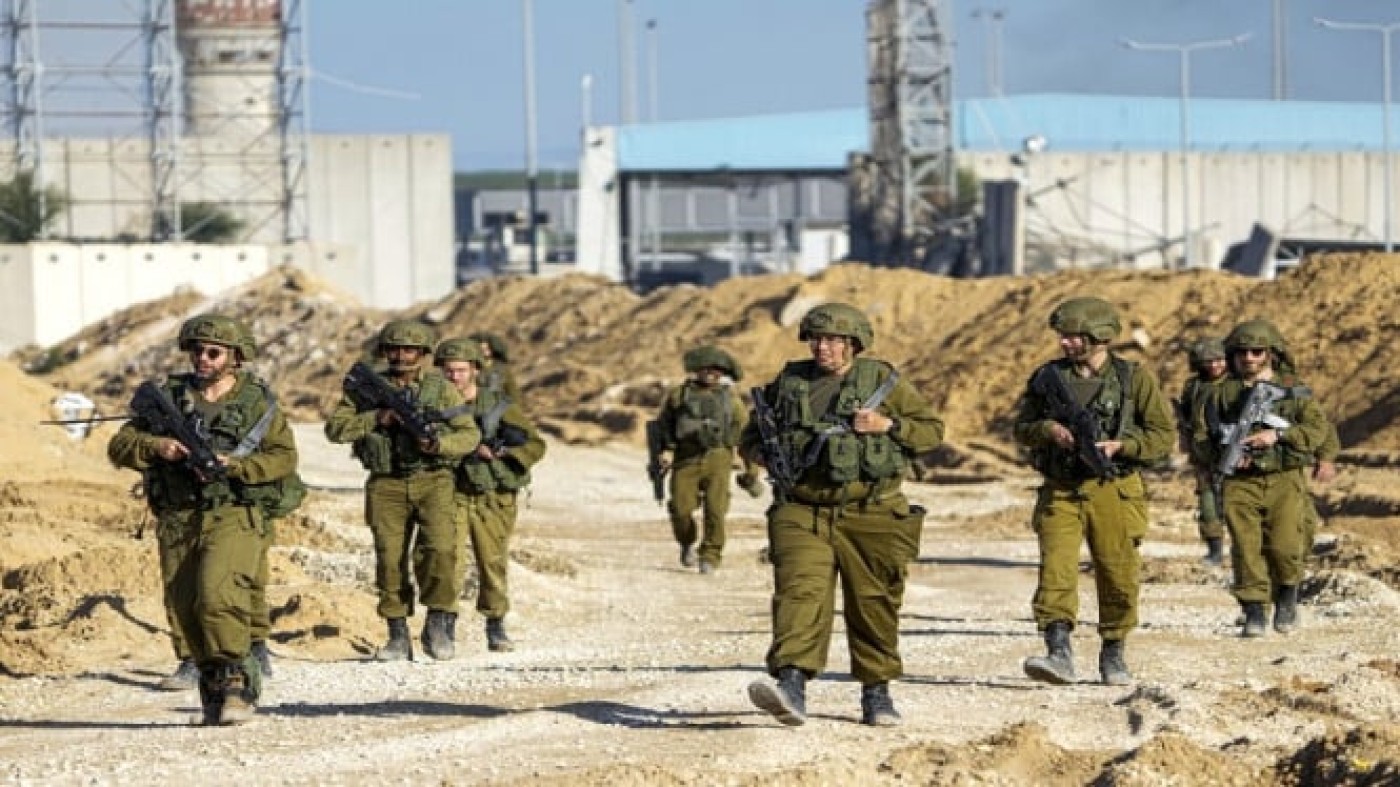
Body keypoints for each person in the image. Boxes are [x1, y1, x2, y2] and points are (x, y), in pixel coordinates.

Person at [741, 303, 943, 727]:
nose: (823, 348)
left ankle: (876, 691)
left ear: (854, 344)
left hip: (872, 510)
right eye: (816, 339)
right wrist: (760, 453)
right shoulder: (790, 382)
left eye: (834, 340)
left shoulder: (882, 381)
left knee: (874, 602)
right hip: (801, 509)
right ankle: (791, 685)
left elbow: (931, 432)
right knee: (799, 594)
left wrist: (887, 426)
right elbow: (751, 435)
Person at [108, 314, 301, 725]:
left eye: (213, 352)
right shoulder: (169, 397)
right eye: (197, 351)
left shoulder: (257, 403)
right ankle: (212, 688)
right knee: (185, 606)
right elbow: (120, 444)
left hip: (233, 511)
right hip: (179, 515)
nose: (203, 358)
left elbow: (284, 458)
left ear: (235, 357)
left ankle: (238, 683)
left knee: (218, 596)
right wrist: (158, 447)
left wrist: (237, 466)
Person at [1013, 297, 1174, 687]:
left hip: (1114, 489)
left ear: (1099, 336)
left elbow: (1162, 436)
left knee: (1118, 573)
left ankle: (1113, 651)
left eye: (1072, 336)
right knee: (1056, 570)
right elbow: (1022, 429)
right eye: (1062, 336)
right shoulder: (1048, 378)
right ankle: (1058, 651)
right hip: (1061, 490)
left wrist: (1124, 446)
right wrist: (1048, 430)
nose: (1064, 343)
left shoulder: (1134, 380)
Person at [325, 320, 480, 661]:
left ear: (423, 353)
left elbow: (469, 434)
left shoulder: (441, 389)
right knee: (389, 558)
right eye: (393, 349)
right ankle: (397, 634)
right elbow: (335, 430)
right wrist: (375, 418)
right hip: (386, 483)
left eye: (409, 350)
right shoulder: (366, 389)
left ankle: (437, 621)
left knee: (440, 550)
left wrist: (438, 444)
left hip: (433, 480)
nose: (400, 356)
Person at [1192, 319, 1330, 637]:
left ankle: (1287, 595)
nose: (1249, 358)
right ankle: (1254, 609)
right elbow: (1201, 436)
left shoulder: (1292, 390)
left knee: (1286, 545)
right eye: (1242, 353)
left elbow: (1317, 429)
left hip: (1284, 478)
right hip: (1240, 482)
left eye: (1257, 352)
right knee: (1246, 547)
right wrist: (1223, 454)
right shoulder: (1219, 393)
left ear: (1270, 353)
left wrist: (1278, 435)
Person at [432, 337, 548, 652]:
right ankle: (445, 625)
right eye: (448, 370)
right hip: (452, 492)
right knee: (447, 559)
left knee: (492, 561)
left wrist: (501, 453)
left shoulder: (497, 405)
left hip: (492, 495)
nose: (454, 376)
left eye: (460, 370)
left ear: (475, 370)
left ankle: (495, 623)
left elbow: (536, 445)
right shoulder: (434, 404)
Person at [653, 345, 755, 574]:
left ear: (722, 372)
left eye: (716, 369)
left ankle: (710, 555)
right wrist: (665, 451)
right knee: (680, 509)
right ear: (696, 369)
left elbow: (745, 433)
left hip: (718, 459)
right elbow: (664, 426)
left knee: (716, 510)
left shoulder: (731, 400)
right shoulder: (678, 396)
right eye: (705, 368)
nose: (710, 373)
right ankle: (687, 542)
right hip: (686, 458)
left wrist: (750, 468)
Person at [1175, 337, 1229, 565]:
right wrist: (1185, 439)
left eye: (1219, 360)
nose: (1215, 365)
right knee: (1208, 504)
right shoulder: (1194, 386)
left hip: (1230, 454)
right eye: (1209, 361)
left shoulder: (1234, 385)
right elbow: (1186, 417)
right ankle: (1215, 550)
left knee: (1238, 504)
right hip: (1203, 455)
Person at [469, 331, 525, 405]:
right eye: (481, 350)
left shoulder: (501, 369)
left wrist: (516, 406)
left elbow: (513, 392)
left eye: (486, 349)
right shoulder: (470, 370)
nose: (484, 352)